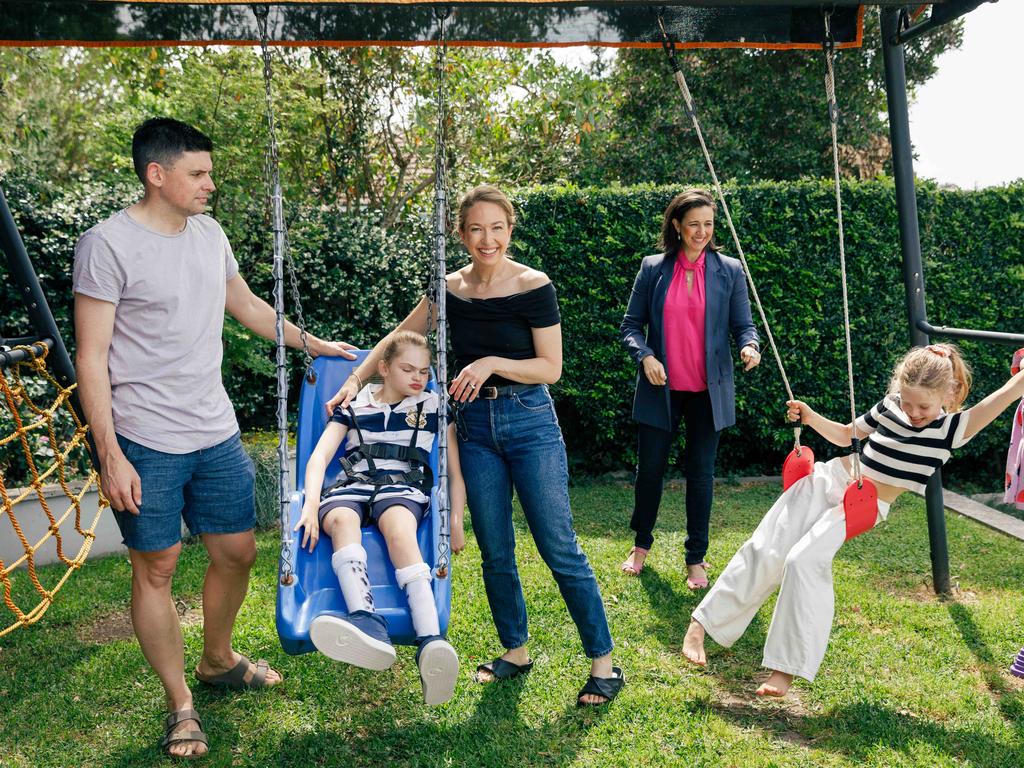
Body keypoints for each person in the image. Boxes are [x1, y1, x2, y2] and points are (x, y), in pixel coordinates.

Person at [73, 117, 354, 759]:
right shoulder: (107, 245)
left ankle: (218, 658)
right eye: (198, 174)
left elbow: (249, 306)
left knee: (238, 552)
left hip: (215, 428)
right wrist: (110, 454)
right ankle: (181, 705)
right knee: (158, 567)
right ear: (157, 175)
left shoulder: (209, 233)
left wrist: (316, 345)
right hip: (144, 436)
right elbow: (91, 359)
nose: (210, 184)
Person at [326, 184, 625, 707]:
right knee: (495, 549)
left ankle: (603, 663)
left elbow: (549, 367)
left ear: (510, 229)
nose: (487, 239)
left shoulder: (535, 285)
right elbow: (399, 338)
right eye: (476, 229)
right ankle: (516, 650)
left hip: (529, 420)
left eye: (497, 228)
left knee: (557, 545)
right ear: (461, 234)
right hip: (475, 427)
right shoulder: (448, 289)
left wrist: (490, 363)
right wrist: (355, 380)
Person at [682, 343, 1024, 697]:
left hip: (864, 503)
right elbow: (848, 435)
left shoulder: (953, 429)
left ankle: (785, 670)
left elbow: (1008, 392)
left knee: (804, 560)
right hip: (830, 478)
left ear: (949, 394)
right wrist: (812, 417)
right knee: (767, 545)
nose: (913, 412)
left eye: (923, 406)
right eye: (907, 402)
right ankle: (702, 625)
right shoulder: (891, 407)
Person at [294, 331, 465, 705]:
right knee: (339, 519)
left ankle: (430, 640)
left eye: (423, 370)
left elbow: (454, 465)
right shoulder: (353, 405)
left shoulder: (433, 405)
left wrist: (456, 518)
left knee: (400, 527)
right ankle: (365, 621)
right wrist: (309, 504)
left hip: (402, 488)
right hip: (352, 485)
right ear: (384, 368)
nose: (418, 377)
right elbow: (319, 458)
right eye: (408, 369)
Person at [619, 188, 760, 587]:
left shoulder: (729, 270)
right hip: (659, 389)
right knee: (650, 472)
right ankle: (641, 544)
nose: (701, 232)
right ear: (677, 225)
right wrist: (645, 357)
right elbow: (630, 326)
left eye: (708, 224)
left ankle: (695, 558)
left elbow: (743, 325)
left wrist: (750, 345)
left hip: (707, 393)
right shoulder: (653, 268)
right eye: (694, 224)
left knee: (701, 475)